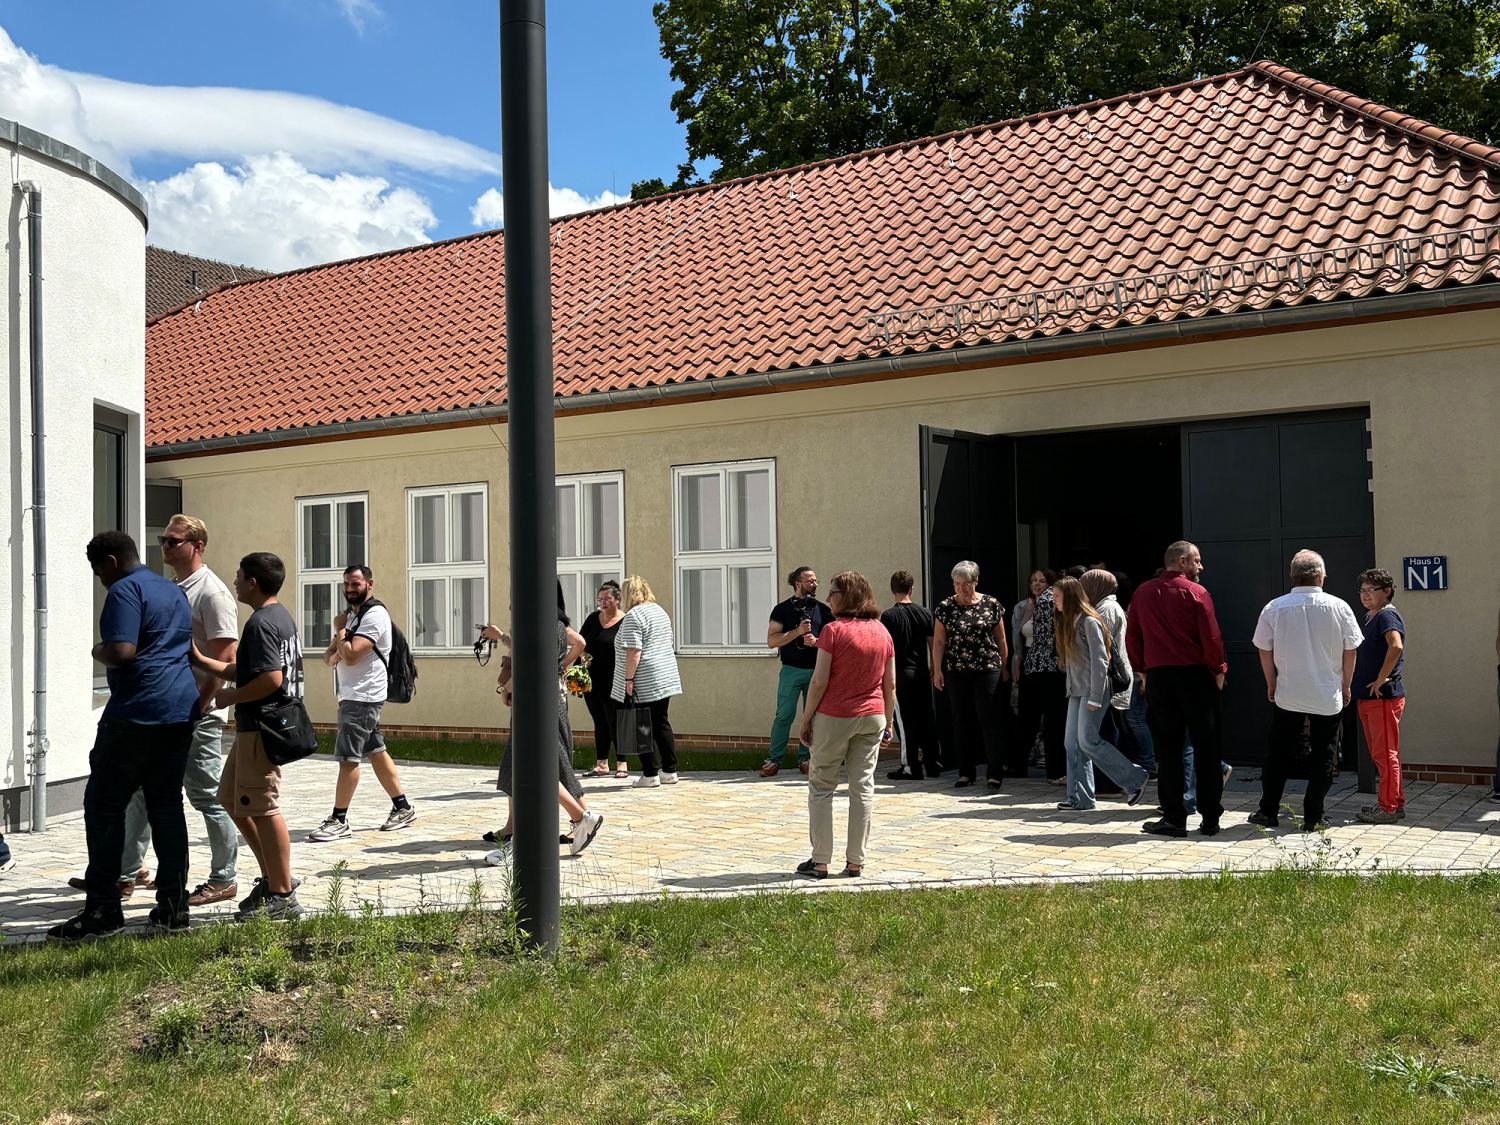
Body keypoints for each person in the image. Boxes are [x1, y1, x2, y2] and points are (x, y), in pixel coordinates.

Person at [65, 514, 241, 905]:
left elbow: (225, 655)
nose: (166, 546)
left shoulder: (209, 592)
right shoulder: (172, 589)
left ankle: (223, 876)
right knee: (154, 800)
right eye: (163, 539)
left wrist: (200, 705)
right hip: (177, 711)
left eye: (175, 540)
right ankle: (140, 882)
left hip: (185, 712)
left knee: (203, 797)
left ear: (197, 545)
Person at [50, 532, 198, 941]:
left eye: (98, 569)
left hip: (137, 712)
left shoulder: (123, 590)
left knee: (104, 806)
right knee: (167, 807)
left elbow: (122, 652)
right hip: (178, 710)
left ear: (112, 561)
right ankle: (172, 906)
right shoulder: (172, 591)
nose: (99, 579)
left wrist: (97, 649)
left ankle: (102, 911)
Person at [191, 552, 305, 920]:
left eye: (239, 576)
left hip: (261, 728)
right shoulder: (277, 616)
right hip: (251, 730)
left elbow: (271, 679)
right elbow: (248, 668)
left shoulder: (260, 622)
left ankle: (282, 894)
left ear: (253, 582)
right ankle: (273, 878)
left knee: (264, 807)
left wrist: (226, 696)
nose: (235, 581)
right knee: (230, 798)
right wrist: (199, 659)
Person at [481, 581, 602, 862]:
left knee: (534, 769)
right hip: (547, 700)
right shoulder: (556, 625)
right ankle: (575, 819)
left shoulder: (533, 623)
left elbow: (527, 666)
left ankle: (552, 829)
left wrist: (506, 689)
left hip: (534, 703)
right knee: (535, 766)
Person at [1248, 550, 1363, 832]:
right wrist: (1346, 684)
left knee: (1279, 753)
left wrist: (1271, 682)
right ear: (1321, 577)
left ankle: (1268, 811)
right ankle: (1314, 816)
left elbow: (1264, 649)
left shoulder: (1274, 607)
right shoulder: (1340, 607)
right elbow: (1351, 649)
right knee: (1324, 753)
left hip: (1289, 692)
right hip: (1327, 694)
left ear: (1293, 577)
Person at [795, 571, 896, 879]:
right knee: (862, 787)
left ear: (849, 596)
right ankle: (855, 861)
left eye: (833, 592)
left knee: (822, 786)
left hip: (835, 716)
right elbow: (889, 684)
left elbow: (819, 681)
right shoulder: (882, 631)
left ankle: (820, 861)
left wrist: (806, 718)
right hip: (872, 716)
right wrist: (889, 722)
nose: (827, 598)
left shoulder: (833, 631)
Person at [1125, 540, 1227, 837]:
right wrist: (1218, 670)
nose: (1200, 566)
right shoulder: (1196, 592)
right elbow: (1212, 637)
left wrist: (1143, 671)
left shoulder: (1142, 593)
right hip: (1196, 676)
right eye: (1196, 561)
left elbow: (1133, 637)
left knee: (1167, 751)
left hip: (1159, 678)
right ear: (1181, 561)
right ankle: (1210, 818)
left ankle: (1173, 818)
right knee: (1207, 748)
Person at [307, 565, 416, 841]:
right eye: (346, 584)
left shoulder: (374, 616)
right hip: (352, 695)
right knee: (375, 751)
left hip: (363, 696)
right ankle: (403, 808)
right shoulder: (353, 618)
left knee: (347, 758)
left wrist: (340, 632)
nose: (349, 589)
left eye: (355, 583)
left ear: (369, 583)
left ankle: (339, 819)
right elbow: (329, 655)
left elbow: (352, 655)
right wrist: (339, 646)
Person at [1053, 577, 1149, 810]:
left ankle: (1135, 778)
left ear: (1070, 596)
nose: (1053, 600)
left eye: (1057, 596)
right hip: (1077, 691)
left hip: (1093, 690)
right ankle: (1080, 798)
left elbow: (1100, 662)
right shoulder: (1070, 620)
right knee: (1072, 744)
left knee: (1088, 741)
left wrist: (1096, 697)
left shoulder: (1089, 621)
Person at [932, 561, 1009, 789]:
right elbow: (938, 641)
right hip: (957, 670)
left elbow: (1001, 639)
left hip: (987, 668)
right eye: (956, 584)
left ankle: (994, 773)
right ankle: (965, 773)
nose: (960, 589)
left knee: (989, 720)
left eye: (965, 584)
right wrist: (936, 669)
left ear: (976, 582)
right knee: (961, 721)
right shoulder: (945, 607)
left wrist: (1005, 666)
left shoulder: (991, 604)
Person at [761, 567, 832, 776]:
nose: (815, 584)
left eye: (816, 580)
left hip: (816, 671)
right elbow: (771, 641)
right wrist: (797, 632)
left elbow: (833, 641)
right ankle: (773, 760)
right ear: (797, 584)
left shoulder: (823, 610)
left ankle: (806, 758)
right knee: (784, 715)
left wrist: (817, 642)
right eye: (810, 581)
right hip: (791, 670)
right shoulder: (782, 609)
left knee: (812, 717)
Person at [612, 575, 683, 787]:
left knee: (640, 724)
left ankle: (650, 773)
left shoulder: (633, 615)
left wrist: (628, 679)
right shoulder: (659, 611)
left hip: (645, 677)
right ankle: (670, 770)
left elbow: (634, 650)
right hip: (665, 676)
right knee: (661, 721)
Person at [1352, 568, 1406, 824]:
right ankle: (1395, 803)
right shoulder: (1369, 616)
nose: (1365, 595)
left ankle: (1388, 809)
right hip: (1368, 697)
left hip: (1382, 698)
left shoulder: (1387, 616)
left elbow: (1396, 645)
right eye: (1362, 590)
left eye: (1370, 590)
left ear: (1386, 592)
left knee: (1385, 754)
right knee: (1381, 753)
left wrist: (1383, 676)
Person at [881, 570, 938, 780]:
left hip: (900, 675)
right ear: (911, 589)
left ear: (892, 590)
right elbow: (933, 644)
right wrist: (934, 665)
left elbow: (885, 648)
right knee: (926, 718)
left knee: (905, 722)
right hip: (922, 673)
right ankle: (933, 764)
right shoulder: (925, 613)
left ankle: (910, 767)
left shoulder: (888, 616)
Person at [1014, 570, 1067, 783]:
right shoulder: (1050, 602)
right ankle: (1054, 772)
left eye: (1041, 581)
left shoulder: (1046, 602)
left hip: (1037, 664)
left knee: (1034, 719)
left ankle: (1023, 766)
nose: (1036, 584)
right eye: (1033, 580)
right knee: (1048, 720)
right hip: (1046, 665)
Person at [580, 580, 625, 778]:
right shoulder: (592, 619)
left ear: (617, 600)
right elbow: (580, 642)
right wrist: (581, 657)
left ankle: (622, 763)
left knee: (615, 721)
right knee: (599, 721)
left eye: (607, 599)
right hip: (592, 679)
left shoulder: (626, 620)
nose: (602, 603)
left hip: (615, 680)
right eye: (600, 600)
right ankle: (602, 764)